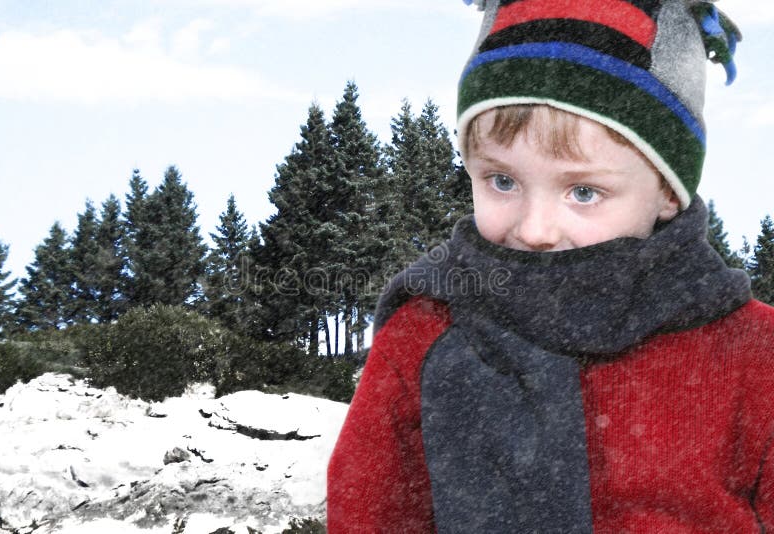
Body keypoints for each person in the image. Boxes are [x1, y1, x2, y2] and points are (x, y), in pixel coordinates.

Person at [327, 0, 774, 531]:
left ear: (667, 192)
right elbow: (369, 516)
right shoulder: (424, 333)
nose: (535, 229)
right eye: (502, 181)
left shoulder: (754, 354)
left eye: (583, 191)